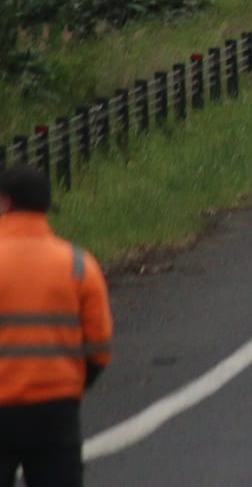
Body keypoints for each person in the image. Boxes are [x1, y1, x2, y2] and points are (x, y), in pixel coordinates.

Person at [0, 165, 111, 487]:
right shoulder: (78, 264)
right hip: (55, 409)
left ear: (5, 203)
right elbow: (99, 345)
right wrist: (73, 384)